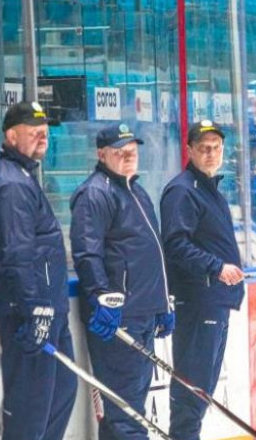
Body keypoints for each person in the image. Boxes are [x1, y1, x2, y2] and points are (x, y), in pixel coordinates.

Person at [0, 101, 78, 440]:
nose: (42, 137)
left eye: (45, 131)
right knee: (30, 410)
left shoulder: (22, 176)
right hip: (30, 313)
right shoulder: (11, 184)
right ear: (10, 135)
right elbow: (16, 253)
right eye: (33, 131)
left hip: (48, 308)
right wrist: (33, 308)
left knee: (62, 392)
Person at [70, 124, 173, 440]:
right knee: (126, 414)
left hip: (143, 312)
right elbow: (87, 253)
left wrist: (161, 303)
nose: (129, 155)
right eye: (120, 151)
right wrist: (104, 298)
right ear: (102, 155)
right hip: (120, 317)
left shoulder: (135, 190)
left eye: (133, 149)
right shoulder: (95, 193)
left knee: (130, 409)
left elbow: (151, 253)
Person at [161, 120, 247, 439]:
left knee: (203, 386)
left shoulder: (209, 189)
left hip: (216, 300)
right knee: (192, 384)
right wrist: (216, 267)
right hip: (198, 301)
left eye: (216, 148)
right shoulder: (183, 190)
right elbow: (176, 244)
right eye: (203, 148)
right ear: (189, 151)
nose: (211, 154)